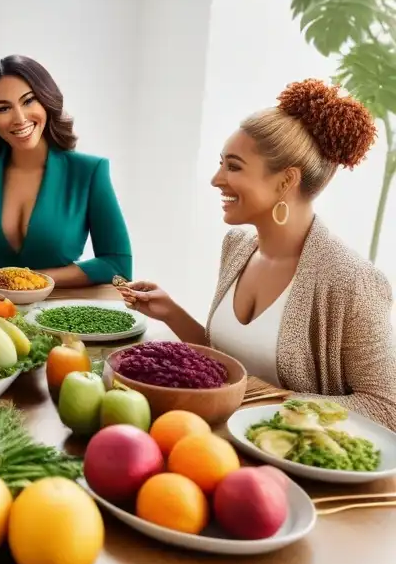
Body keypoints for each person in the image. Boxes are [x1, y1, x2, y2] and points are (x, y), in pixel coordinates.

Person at [118, 79, 396, 429]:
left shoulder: (350, 280)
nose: (217, 179)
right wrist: (172, 313)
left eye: (233, 166)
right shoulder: (237, 247)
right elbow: (233, 363)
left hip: (290, 472)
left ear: (285, 181)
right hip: (215, 442)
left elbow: (386, 407)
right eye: (221, 164)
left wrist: (264, 402)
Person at [0, 55, 131, 286]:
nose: (19, 118)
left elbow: (117, 265)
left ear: (46, 101)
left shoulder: (89, 172)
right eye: (3, 108)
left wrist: (33, 280)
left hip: (62, 309)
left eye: (28, 101)